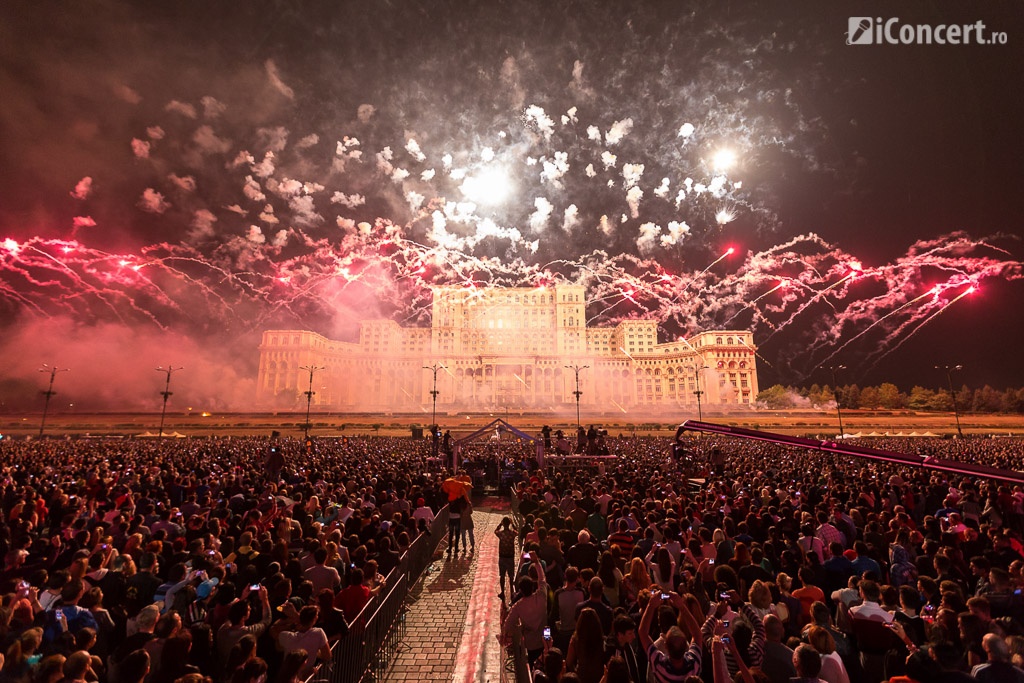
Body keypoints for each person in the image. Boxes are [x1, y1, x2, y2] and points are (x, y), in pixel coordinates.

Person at [637, 591, 702, 682]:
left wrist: (651, 605)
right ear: (686, 646)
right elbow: (697, 634)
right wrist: (681, 606)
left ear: (666, 646)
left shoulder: (660, 666)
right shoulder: (693, 666)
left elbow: (643, 632)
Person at [500, 551, 548, 665]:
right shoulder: (541, 595)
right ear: (533, 586)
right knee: (547, 656)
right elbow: (542, 579)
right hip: (546, 634)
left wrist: (504, 634)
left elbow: (508, 622)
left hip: (531, 642)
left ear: (521, 590)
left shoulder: (518, 606)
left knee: (531, 663)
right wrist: (537, 563)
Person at [495, 517, 519, 598]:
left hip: (502, 556)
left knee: (502, 575)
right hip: (510, 556)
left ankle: (502, 592)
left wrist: (500, 525)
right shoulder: (512, 534)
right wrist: (513, 524)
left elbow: (495, 531)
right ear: (509, 524)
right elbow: (517, 531)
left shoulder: (501, 534)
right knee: (511, 575)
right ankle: (512, 590)